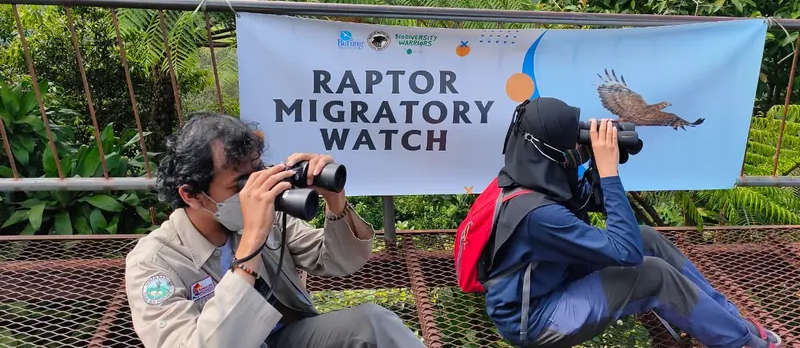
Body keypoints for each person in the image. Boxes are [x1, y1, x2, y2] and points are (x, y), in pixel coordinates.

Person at [483, 97, 782, 348]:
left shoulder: (528, 174)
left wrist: (593, 164)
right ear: (550, 150)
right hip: (535, 319)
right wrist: (609, 170)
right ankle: (737, 341)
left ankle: (727, 318)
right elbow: (625, 253)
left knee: (645, 237)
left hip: (556, 280)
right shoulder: (536, 213)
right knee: (652, 274)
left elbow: (591, 201)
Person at [124, 112, 425, 348]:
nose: (256, 191)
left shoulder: (262, 216)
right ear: (191, 194)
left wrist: (335, 201)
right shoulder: (154, 262)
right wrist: (252, 243)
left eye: (259, 174)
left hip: (284, 338)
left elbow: (338, 261)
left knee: (373, 323)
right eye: (241, 185)